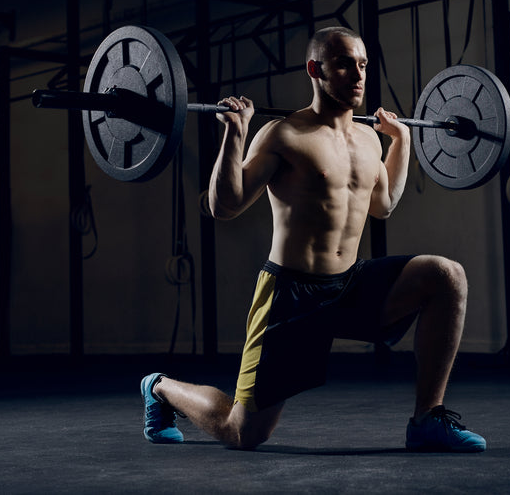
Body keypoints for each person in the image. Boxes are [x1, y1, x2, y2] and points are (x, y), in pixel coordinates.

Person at [141, 26, 485, 452]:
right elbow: (223, 206)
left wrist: (403, 141)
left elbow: (383, 204)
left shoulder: (368, 140)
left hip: (350, 285)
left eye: (362, 64)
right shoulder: (284, 134)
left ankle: (427, 419)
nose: (357, 75)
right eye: (343, 63)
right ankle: (159, 388)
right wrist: (235, 132)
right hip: (291, 293)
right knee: (243, 433)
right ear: (315, 69)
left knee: (446, 275)